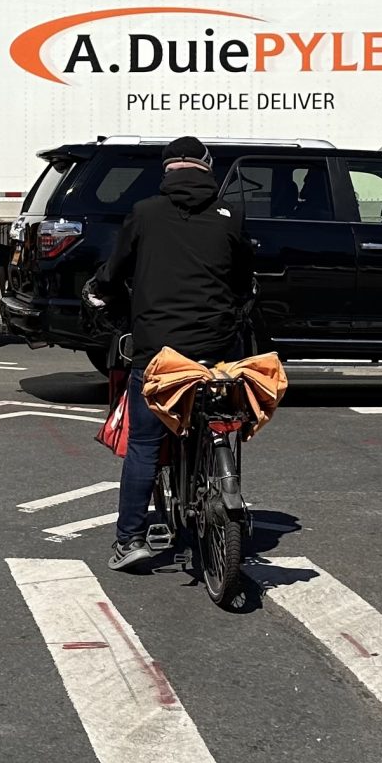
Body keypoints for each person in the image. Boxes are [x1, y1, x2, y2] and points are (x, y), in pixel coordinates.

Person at [88, 136, 254, 572]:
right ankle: (218, 475)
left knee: (145, 443)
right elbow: (243, 283)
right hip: (217, 352)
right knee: (220, 418)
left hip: (159, 353)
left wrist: (102, 290)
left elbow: (115, 272)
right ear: (206, 168)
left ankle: (131, 540)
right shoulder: (229, 216)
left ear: (167, 171)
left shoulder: (145, 213)